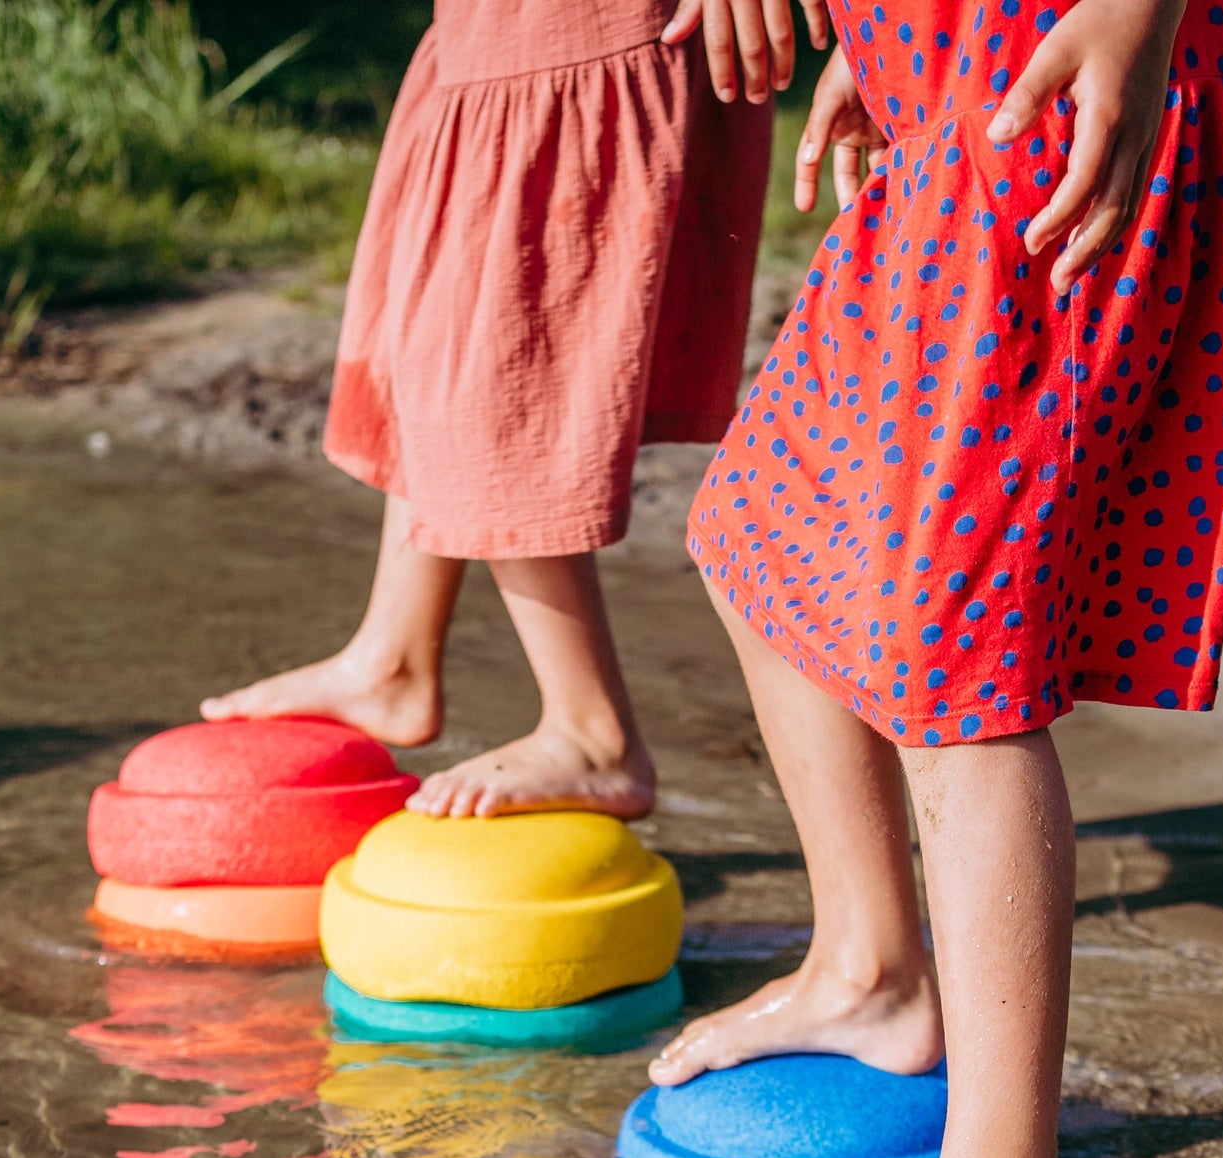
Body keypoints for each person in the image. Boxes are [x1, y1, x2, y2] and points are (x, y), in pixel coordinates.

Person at [653, 0, 1223, 1158]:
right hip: (952, 98)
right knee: (760, 530)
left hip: (1062, 88)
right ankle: (870, 967)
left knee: (958, 661)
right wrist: (889, 51)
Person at [201, 0, 817, 819]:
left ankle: (591, 729)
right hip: (485, 34)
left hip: (576, 33)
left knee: (502, 368)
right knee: (431, 331)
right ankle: (394, 652)